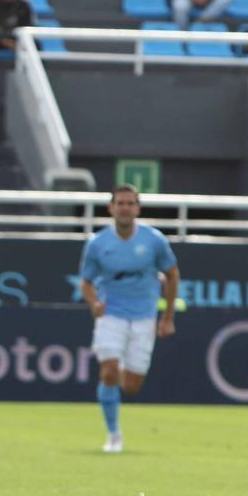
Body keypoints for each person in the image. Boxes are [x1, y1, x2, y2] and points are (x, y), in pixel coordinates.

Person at [78, 185, 180, 454]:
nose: (125, 208)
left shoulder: (154, 240)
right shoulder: (98, 244)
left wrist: (167, 317)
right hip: (111, 314)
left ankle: (119, 371)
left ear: (137, 208)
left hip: (144, 316)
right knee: (109, 371)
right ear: (111, 208)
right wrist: (93, 302)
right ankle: (114, 435)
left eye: (130, 203)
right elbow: (86, 282)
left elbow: (172, 275)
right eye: (120, 203)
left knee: (132, 385)